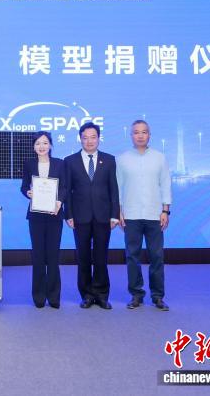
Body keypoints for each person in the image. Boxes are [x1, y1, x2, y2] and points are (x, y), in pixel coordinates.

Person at [117, 120, 172, 311]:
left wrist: (165, 210)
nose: (140, 135)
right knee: (132, 256)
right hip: (131, 215)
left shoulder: (160, 158)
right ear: (131, 135)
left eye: (144, 132)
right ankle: (136, 294)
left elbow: (165, 184)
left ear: (149, 135)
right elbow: (118, 187)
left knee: (157, 256)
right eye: (136, 132)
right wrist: (119, 211)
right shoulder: (122, 159)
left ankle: (158, 296)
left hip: (154, 214)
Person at [64, 122, 120, 309]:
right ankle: (87, 295)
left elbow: (114, 189)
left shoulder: (109, 160)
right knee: (83, 257)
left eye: (93, 137)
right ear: (80, 139)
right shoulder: (70, 161)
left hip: (103, 216)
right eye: (85, 137)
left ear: (99, 138)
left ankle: (102, 295)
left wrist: (115, 214)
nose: (89, 141)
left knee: (101, 257)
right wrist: (68, 214)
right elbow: (67, 190)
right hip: (80, 217)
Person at [20, 131, 66, 308]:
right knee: (38, 256)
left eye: (45, 143)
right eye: (38, 143)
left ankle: (54, 297)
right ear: (34, 146)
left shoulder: (60, 164)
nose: (41, 146)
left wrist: (59, 202)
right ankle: (39, 297)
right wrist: (28, 193)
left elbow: (64, 187)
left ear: (51, 145)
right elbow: (24, 186)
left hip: (55, 215)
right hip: (36, 216)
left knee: (53, 256)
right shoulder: (29, 164)